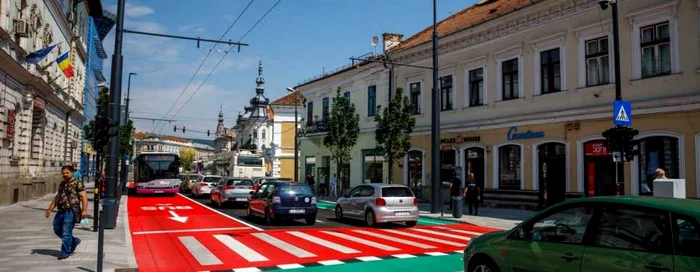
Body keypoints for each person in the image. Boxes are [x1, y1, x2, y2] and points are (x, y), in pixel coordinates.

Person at [45, 165, 88, 260]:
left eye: (67, 173)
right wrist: (49, 209)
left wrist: (84, 210)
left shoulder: (78, 183)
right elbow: (57, 197)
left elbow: (84, 197)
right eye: (63, 173)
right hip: (60, 211)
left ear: (72, 173)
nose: (64, 174)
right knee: (56, 229)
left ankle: (65, 252)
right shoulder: (62, 184)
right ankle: (74, 241)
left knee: (66, 232)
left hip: (71, 211)